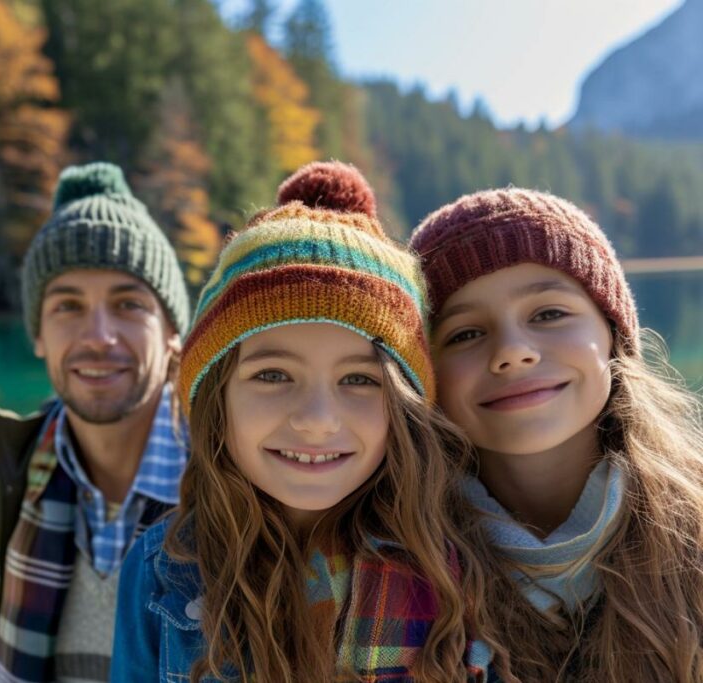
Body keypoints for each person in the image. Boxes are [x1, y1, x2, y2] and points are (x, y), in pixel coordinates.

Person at [112, 161, 502, 683]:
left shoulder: (458, 570)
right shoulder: (162, 569)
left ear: (405, 405)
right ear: (217, 398)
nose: (317, 421)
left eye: (360, 380)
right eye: (273, 374)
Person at [410, 188, 703, 681]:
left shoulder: (692, 536)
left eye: (548, 314)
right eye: (464, 333)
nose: (513, 351)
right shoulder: (397, 563)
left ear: (613, 333)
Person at [0, 162, 191, 683]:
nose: (98, 336)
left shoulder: (237, 490)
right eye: (67, 305)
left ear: (171, 334)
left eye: (128, 304)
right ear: (39, 336)